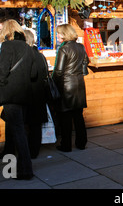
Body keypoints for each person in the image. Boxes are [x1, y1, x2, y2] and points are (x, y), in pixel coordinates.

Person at [0, 19, 36, 180]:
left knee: (17, 132)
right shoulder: (27, 47)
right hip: (24, 93)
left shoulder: (7, 46)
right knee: (17, 130)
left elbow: (2, 71)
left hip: (10, 94)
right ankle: (12, 165)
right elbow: (32, 74)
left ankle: (25, 170)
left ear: (6, 31)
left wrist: (0, 82)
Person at [52, 24, 88, 152]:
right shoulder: (80, 47)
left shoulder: (64, 49)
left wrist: (52, 83)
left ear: (64, 34)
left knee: (65, 117)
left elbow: (59, 71)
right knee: (78, 116)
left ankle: (66, 145)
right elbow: (85, 67)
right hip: (79, 84)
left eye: (59, 33)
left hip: (67, 86)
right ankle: (81, 142)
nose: (57, 36)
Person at [23, 30, 48, 158]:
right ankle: (34, 150)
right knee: (36, 126)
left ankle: (28, 151)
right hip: (39, 94)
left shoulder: (24, 56)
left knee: (25, 125)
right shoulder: (40, 55)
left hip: (28, 94)